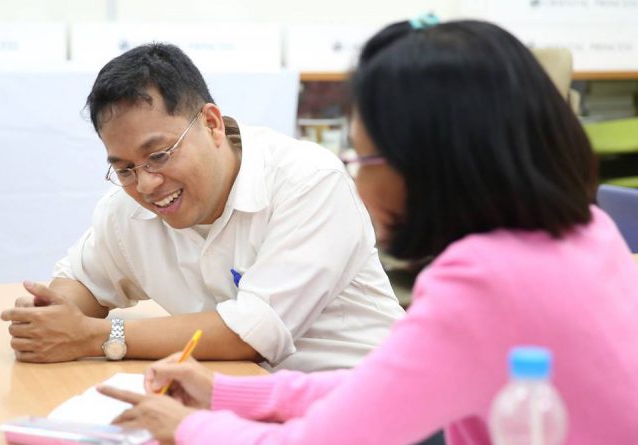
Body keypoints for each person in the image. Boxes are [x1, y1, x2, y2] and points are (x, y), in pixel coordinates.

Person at [96, 19, 638, 444]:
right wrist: (229, 394)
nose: (355, 178)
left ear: (427, 165)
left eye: (363, 157)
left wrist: (187, 427)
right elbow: (388, 384)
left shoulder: (482, 280)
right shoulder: (586, 231)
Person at [0, 43, 405, 372]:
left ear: (212, 123)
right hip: (243, 396)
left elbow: (252, 334)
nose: (146, 184)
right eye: (124, 168)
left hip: (363, 401)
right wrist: (51, 318)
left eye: (159, 155)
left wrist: (95, 337)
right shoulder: (128, 210)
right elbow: (85, 280)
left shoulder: (308, 180)